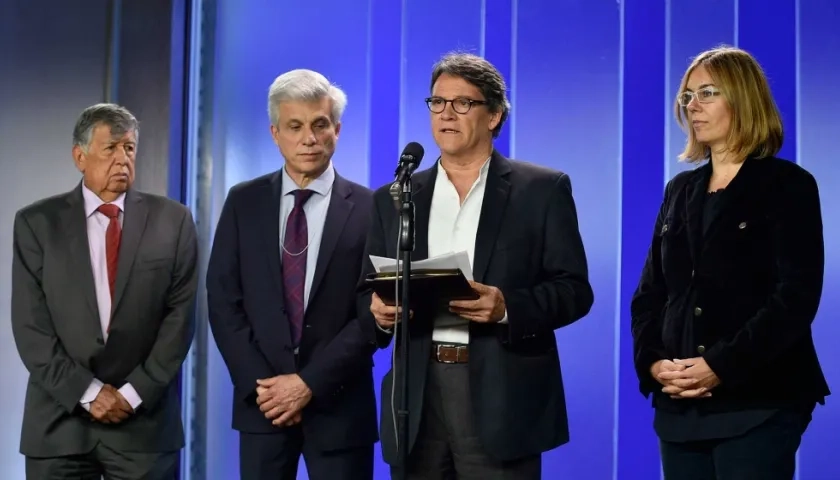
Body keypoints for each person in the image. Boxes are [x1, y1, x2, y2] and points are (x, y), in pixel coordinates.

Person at [359, 52, 594, 479]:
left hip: (500, 395)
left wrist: (507, 308)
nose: (446, 113)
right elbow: (366, 291)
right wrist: (377, 314)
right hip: (417, 394)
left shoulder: (541, 190)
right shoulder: (394, 198)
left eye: (462, 103)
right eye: (437, 102)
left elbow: (574, 290)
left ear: (494, 116)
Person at [630, 46, 829, 479]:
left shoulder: (787, 185)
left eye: (707, 93)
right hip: (679, 406)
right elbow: (651, 294)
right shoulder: (678, 190)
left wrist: (720, 365)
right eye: (687, 96)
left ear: (742, 99)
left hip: (759, 400)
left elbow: (794, 298)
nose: (692, 106)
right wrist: (653, 363)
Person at [10, 103, 198, 479]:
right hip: (59, 426)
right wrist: (89, 393)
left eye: (129, 148)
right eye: (110, 148)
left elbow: (180, 320)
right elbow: (32, 327)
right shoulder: (37, 224)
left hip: (143, 427)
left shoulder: (173, 221)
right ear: (80, 157)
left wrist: (130, 395)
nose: (122, 159)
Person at [206, 69, 378, 480]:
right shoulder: (242, 201)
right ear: (274, 133)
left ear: (337, 129)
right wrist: (265, 388)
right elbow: (223, 300)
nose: (309, 138)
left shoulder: (374, 208)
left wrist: (308, 384)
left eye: (320, 125)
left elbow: (372, 314)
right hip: (263, 407)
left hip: (340, 407)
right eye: (295, 126)